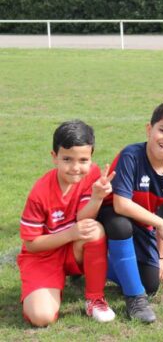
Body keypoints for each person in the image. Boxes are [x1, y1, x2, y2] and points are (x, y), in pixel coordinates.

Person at [98, 103, 163, 323]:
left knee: (150, 284)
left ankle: (91, 263)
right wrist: (160, 223)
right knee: (121, 224)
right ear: (149, 129)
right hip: (109, 217)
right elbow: (120, 204)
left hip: (141, 223)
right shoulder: (131, 155)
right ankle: (135, 300)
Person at [18, 120, 115, 326]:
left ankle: (95, 299)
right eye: (67, 159)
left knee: (94, 229)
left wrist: (97, 197)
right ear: (54, 157)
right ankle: (49, 286)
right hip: (43, 256)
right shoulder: (39, 193)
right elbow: (31, 244)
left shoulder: (93, 174)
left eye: (83, 160)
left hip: (72, 249)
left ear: (91, 158)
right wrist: (70, 234)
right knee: (41, 317)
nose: (75, 167)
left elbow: (82, 218)